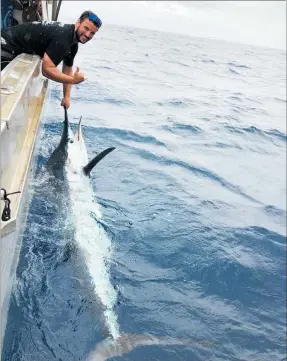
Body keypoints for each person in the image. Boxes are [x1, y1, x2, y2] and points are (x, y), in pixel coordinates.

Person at [1, 10, 102, 109]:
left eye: (92, 33)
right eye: (86, 28)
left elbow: (67, 70)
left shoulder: (72, 43)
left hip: (12, 47)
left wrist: (66, 97)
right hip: (5, 45)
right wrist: (73, 80)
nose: (88, 34)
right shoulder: (64, 37)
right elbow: (47, 70)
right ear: (78, 22)